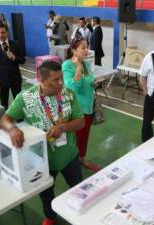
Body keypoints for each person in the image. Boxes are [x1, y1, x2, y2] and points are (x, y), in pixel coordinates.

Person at [0, 61, 84, 225]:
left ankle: (81, 215)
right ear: (42, 80)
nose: (61, 83)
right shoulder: (26, 97)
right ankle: (50, 217)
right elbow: (5, 119)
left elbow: (81, 122)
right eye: (56, 80)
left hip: (69, 155)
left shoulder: (69, 94)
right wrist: (12, 129)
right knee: (45, 193)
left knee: (78, 188)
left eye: (62, 79)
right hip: (42, 159)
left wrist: (63, 127)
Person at [62, 33, 100, 172]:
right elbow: (72, 87)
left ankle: (82, 159)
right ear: (74, 50)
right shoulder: (67, 65)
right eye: (83, 48)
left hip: (88, 107)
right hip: (76, 110)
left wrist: (94, 83)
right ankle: (72, 163)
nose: (86, 50)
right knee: (74, 138)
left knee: (84, 136)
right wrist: (77, 68)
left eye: (87, 47)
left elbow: (89, 81)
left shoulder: (87, 64)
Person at [0, 23, 25, 109]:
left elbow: (22, 60)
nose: (0, 35)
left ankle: (20, 118)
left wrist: (13, 57)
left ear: (7, 32)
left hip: (15, 79)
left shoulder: (15, 44)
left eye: (3, 32)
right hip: (2, 81)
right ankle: (5, 119)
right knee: (4, 102)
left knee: (18, 101)